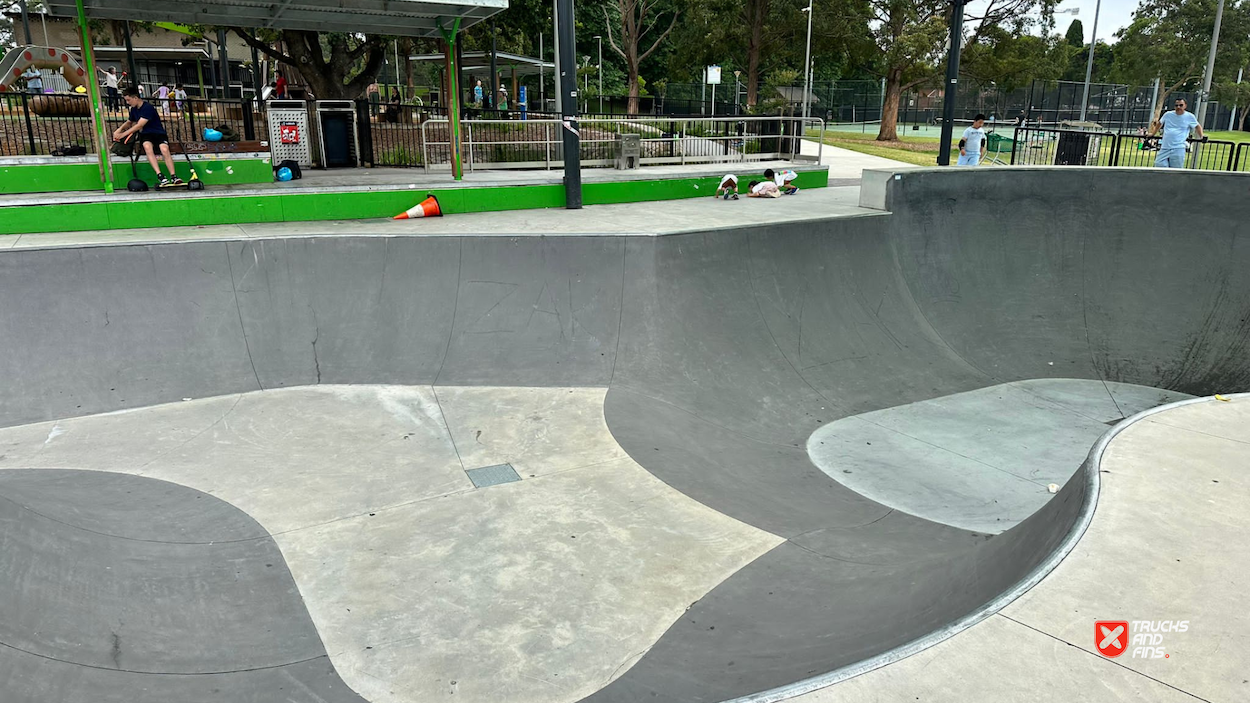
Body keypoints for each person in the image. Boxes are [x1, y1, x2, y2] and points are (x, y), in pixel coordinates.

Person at [114, 86, 182, 188]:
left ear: (136, 98)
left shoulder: (148, 108)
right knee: (147, 147)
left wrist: (123, 134)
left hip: (158, 133)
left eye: (129, 100)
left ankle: (173, 176)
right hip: (146, 135)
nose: (128, 103)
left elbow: (139, 125)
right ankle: (160, 175)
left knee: (164, 149)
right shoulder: (133, 110)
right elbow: (129, 122)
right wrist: (118, 130)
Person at [1147, 98, 1203, 169]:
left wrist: (1201, 136)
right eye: (1176, 105)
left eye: (1181, 105)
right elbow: (1160, 123)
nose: (1178, 107)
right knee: (1159, 166)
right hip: (1165, 147)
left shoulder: (1190, 116)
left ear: (1185, 106)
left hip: (1178, 148)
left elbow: (1197, 126)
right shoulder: (1168, 114)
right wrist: (1153, 134)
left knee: (1176, 170)